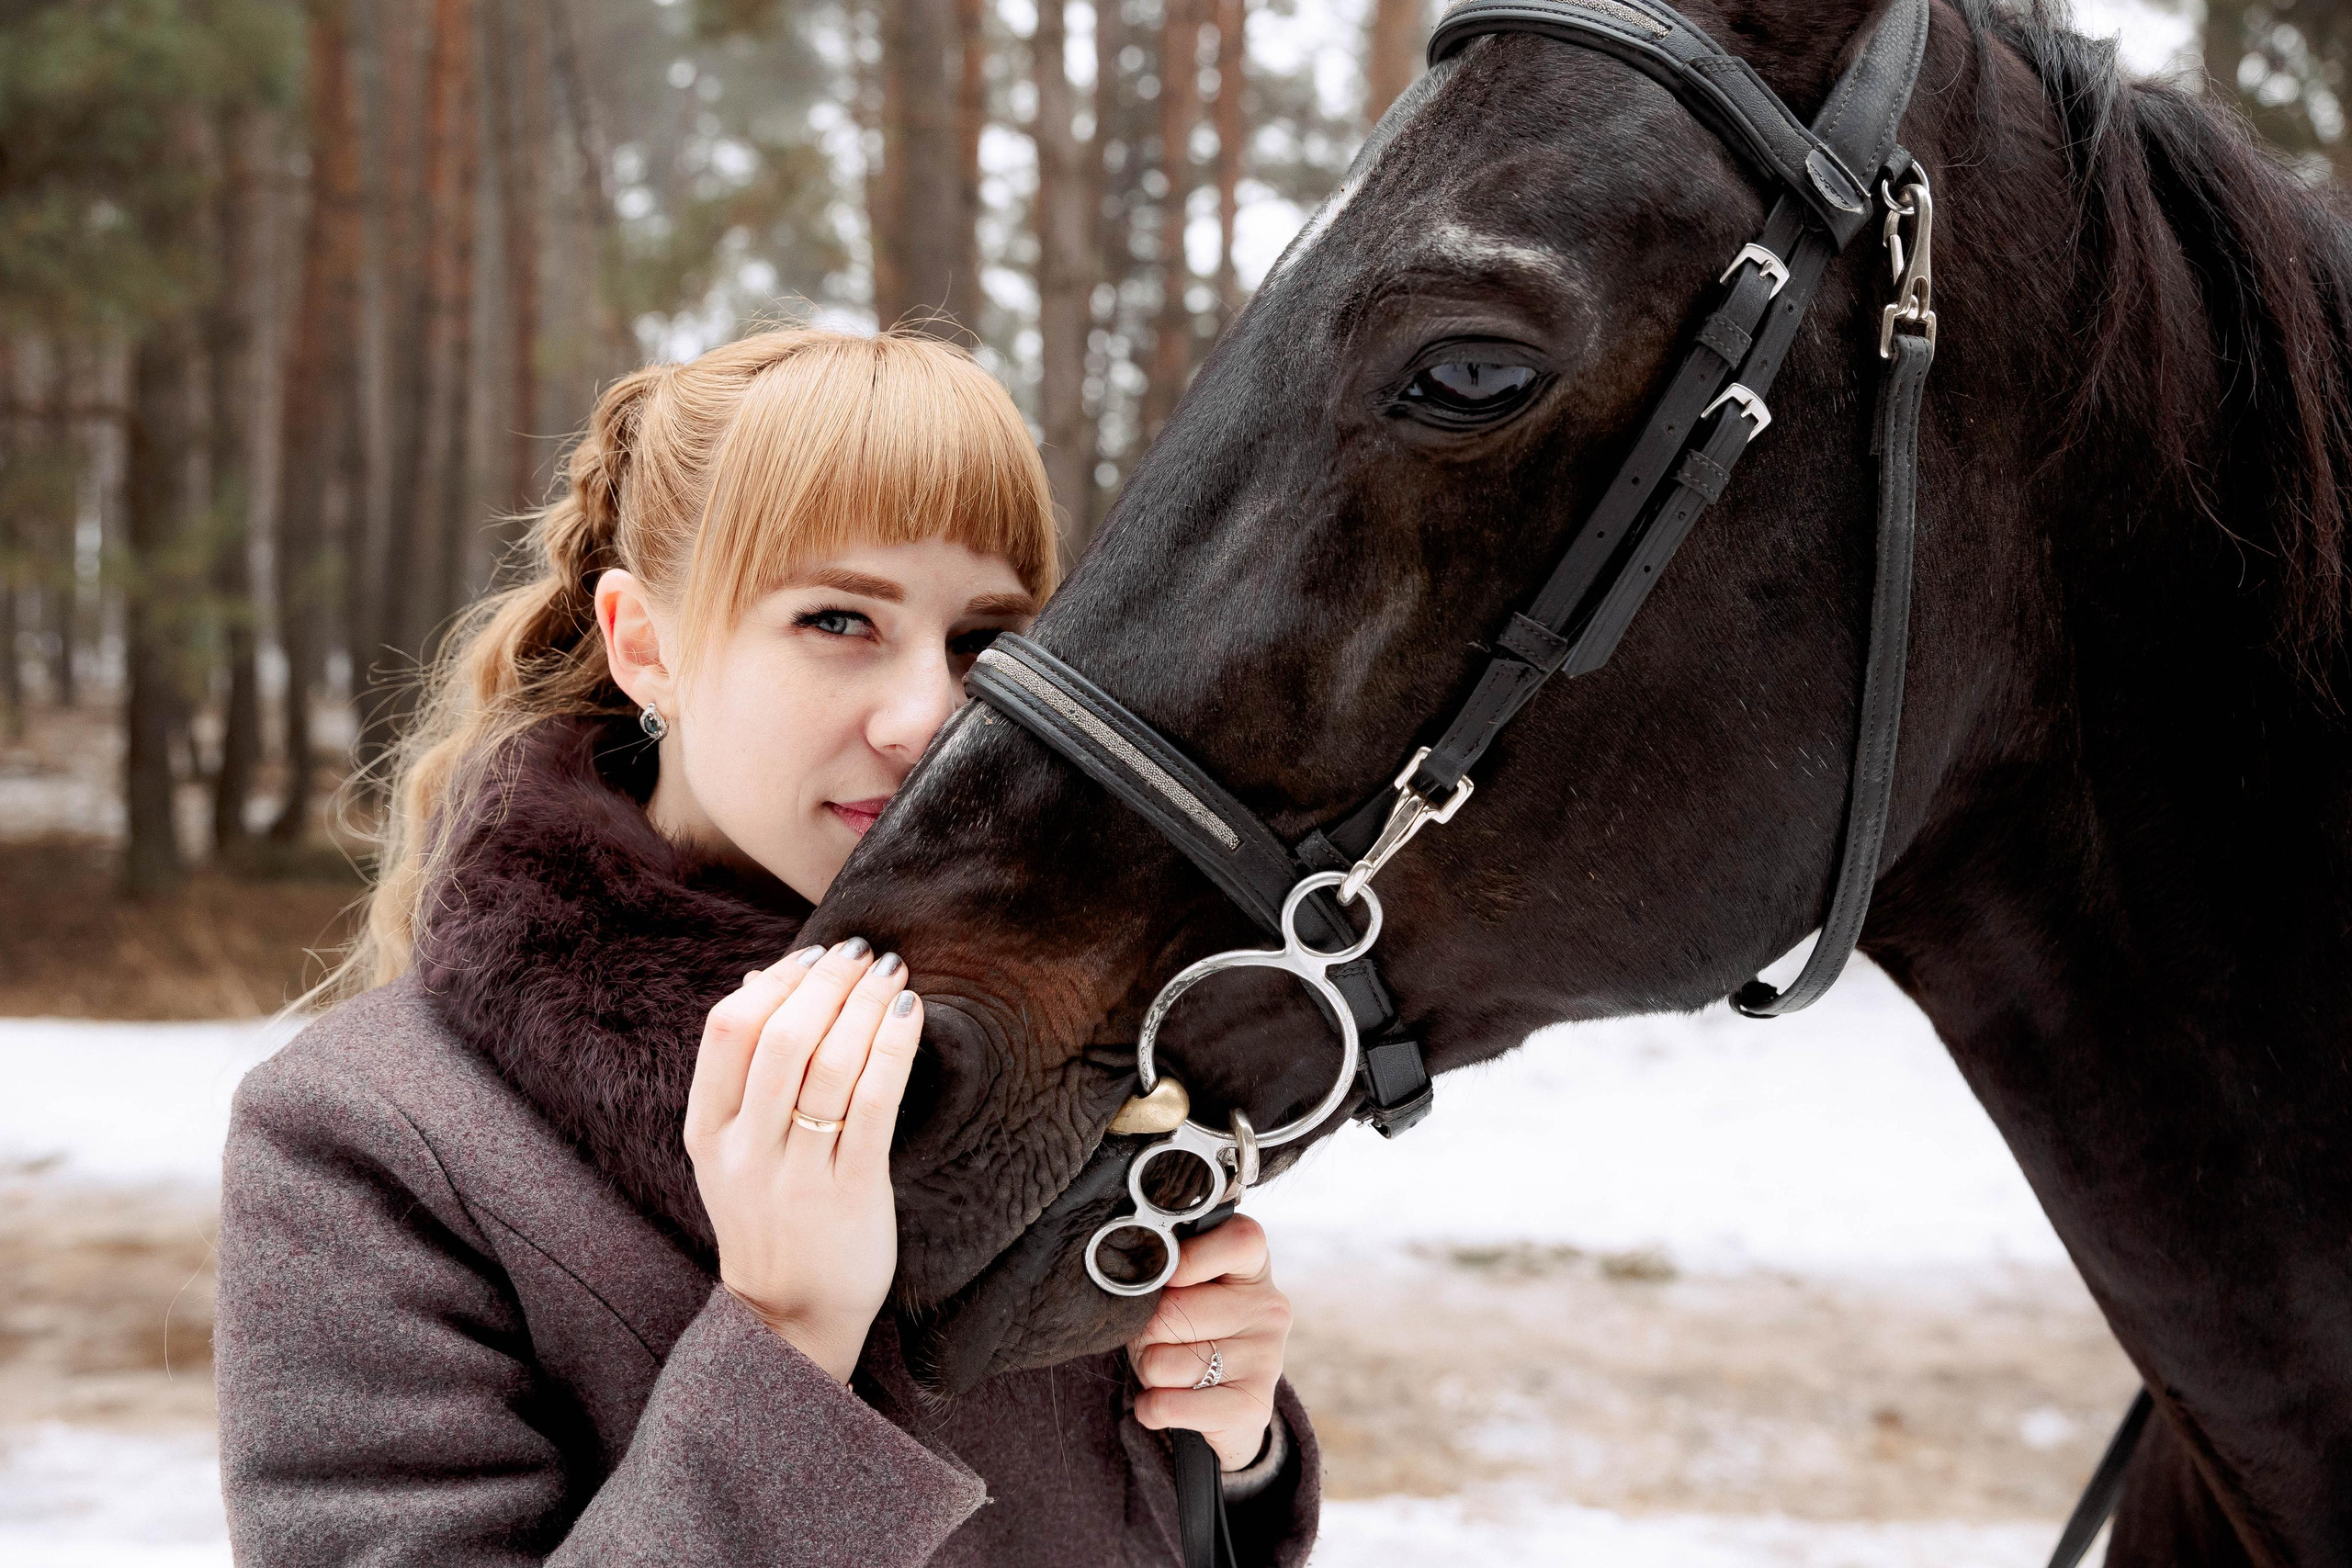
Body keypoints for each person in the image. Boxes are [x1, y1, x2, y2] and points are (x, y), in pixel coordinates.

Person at [213, 328, 1317, 1566]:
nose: (929, 721)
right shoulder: (371, 1135)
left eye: (981, 643)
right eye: (838, 618)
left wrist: (1229, 1448)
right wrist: (786, 1336)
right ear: (646, 644)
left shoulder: (1077, 1069)